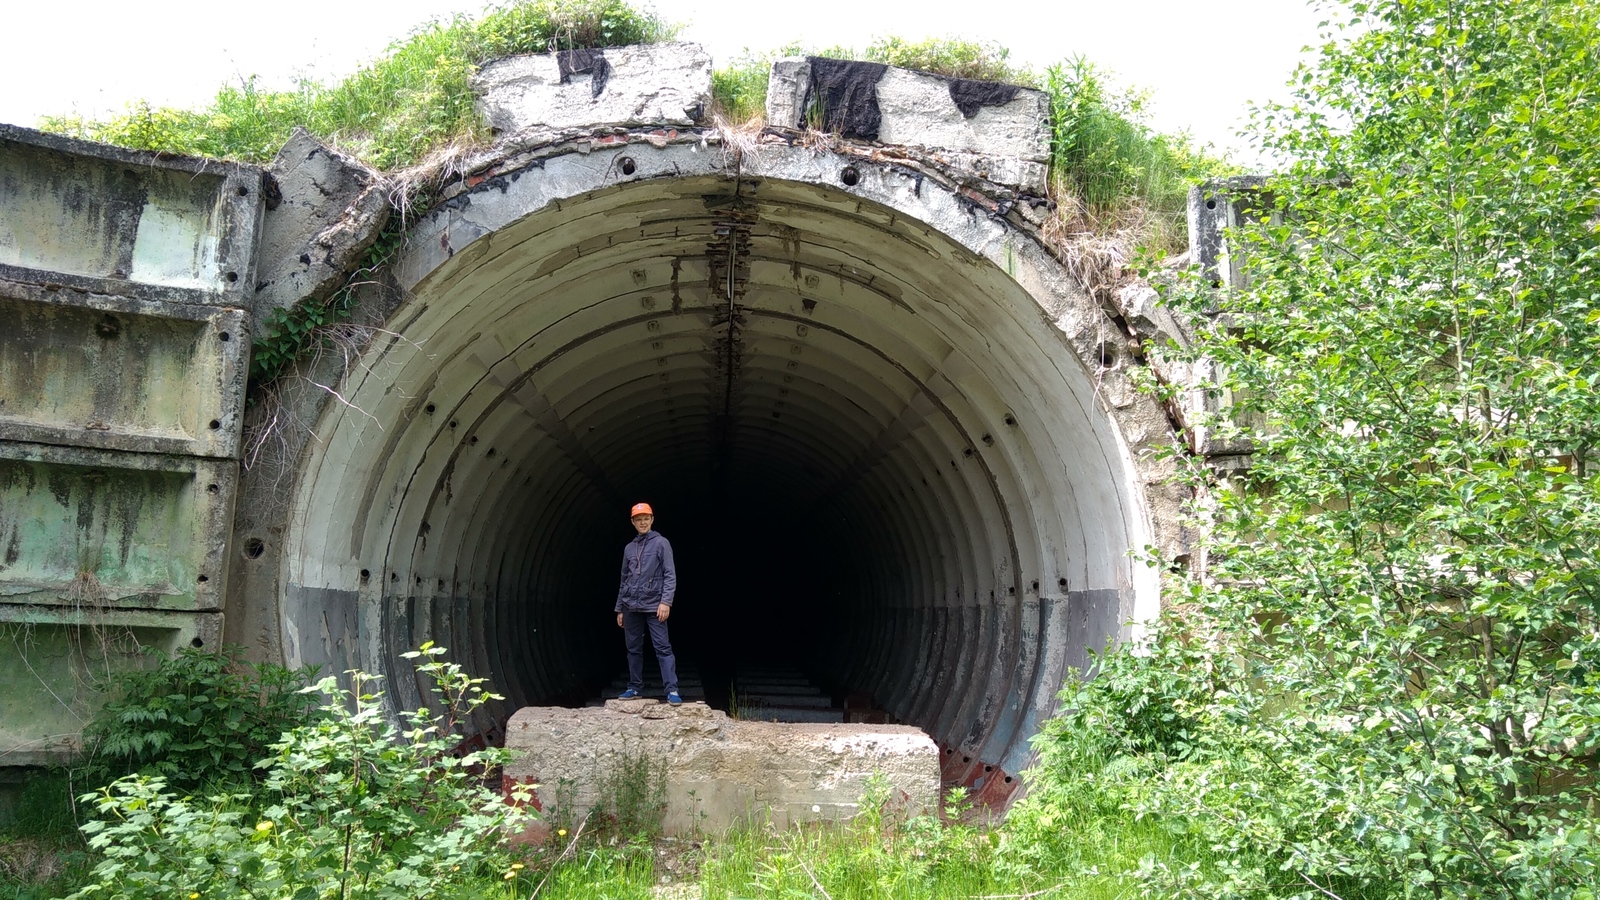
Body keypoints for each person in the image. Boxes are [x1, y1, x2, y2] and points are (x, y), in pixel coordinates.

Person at [614, 502, 680, 704]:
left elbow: (670, 574)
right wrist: (619, 608)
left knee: (663, 648)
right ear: (633, 522)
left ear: (652, 520)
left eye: (646, 518)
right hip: (630, 606)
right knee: (633, 649)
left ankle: (672, 690)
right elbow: (624, 578)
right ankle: (635, 688)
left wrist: (665, 602)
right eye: (638, 519)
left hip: (654, 606)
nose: (642, 522)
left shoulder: (661, 543)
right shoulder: (629, 548)